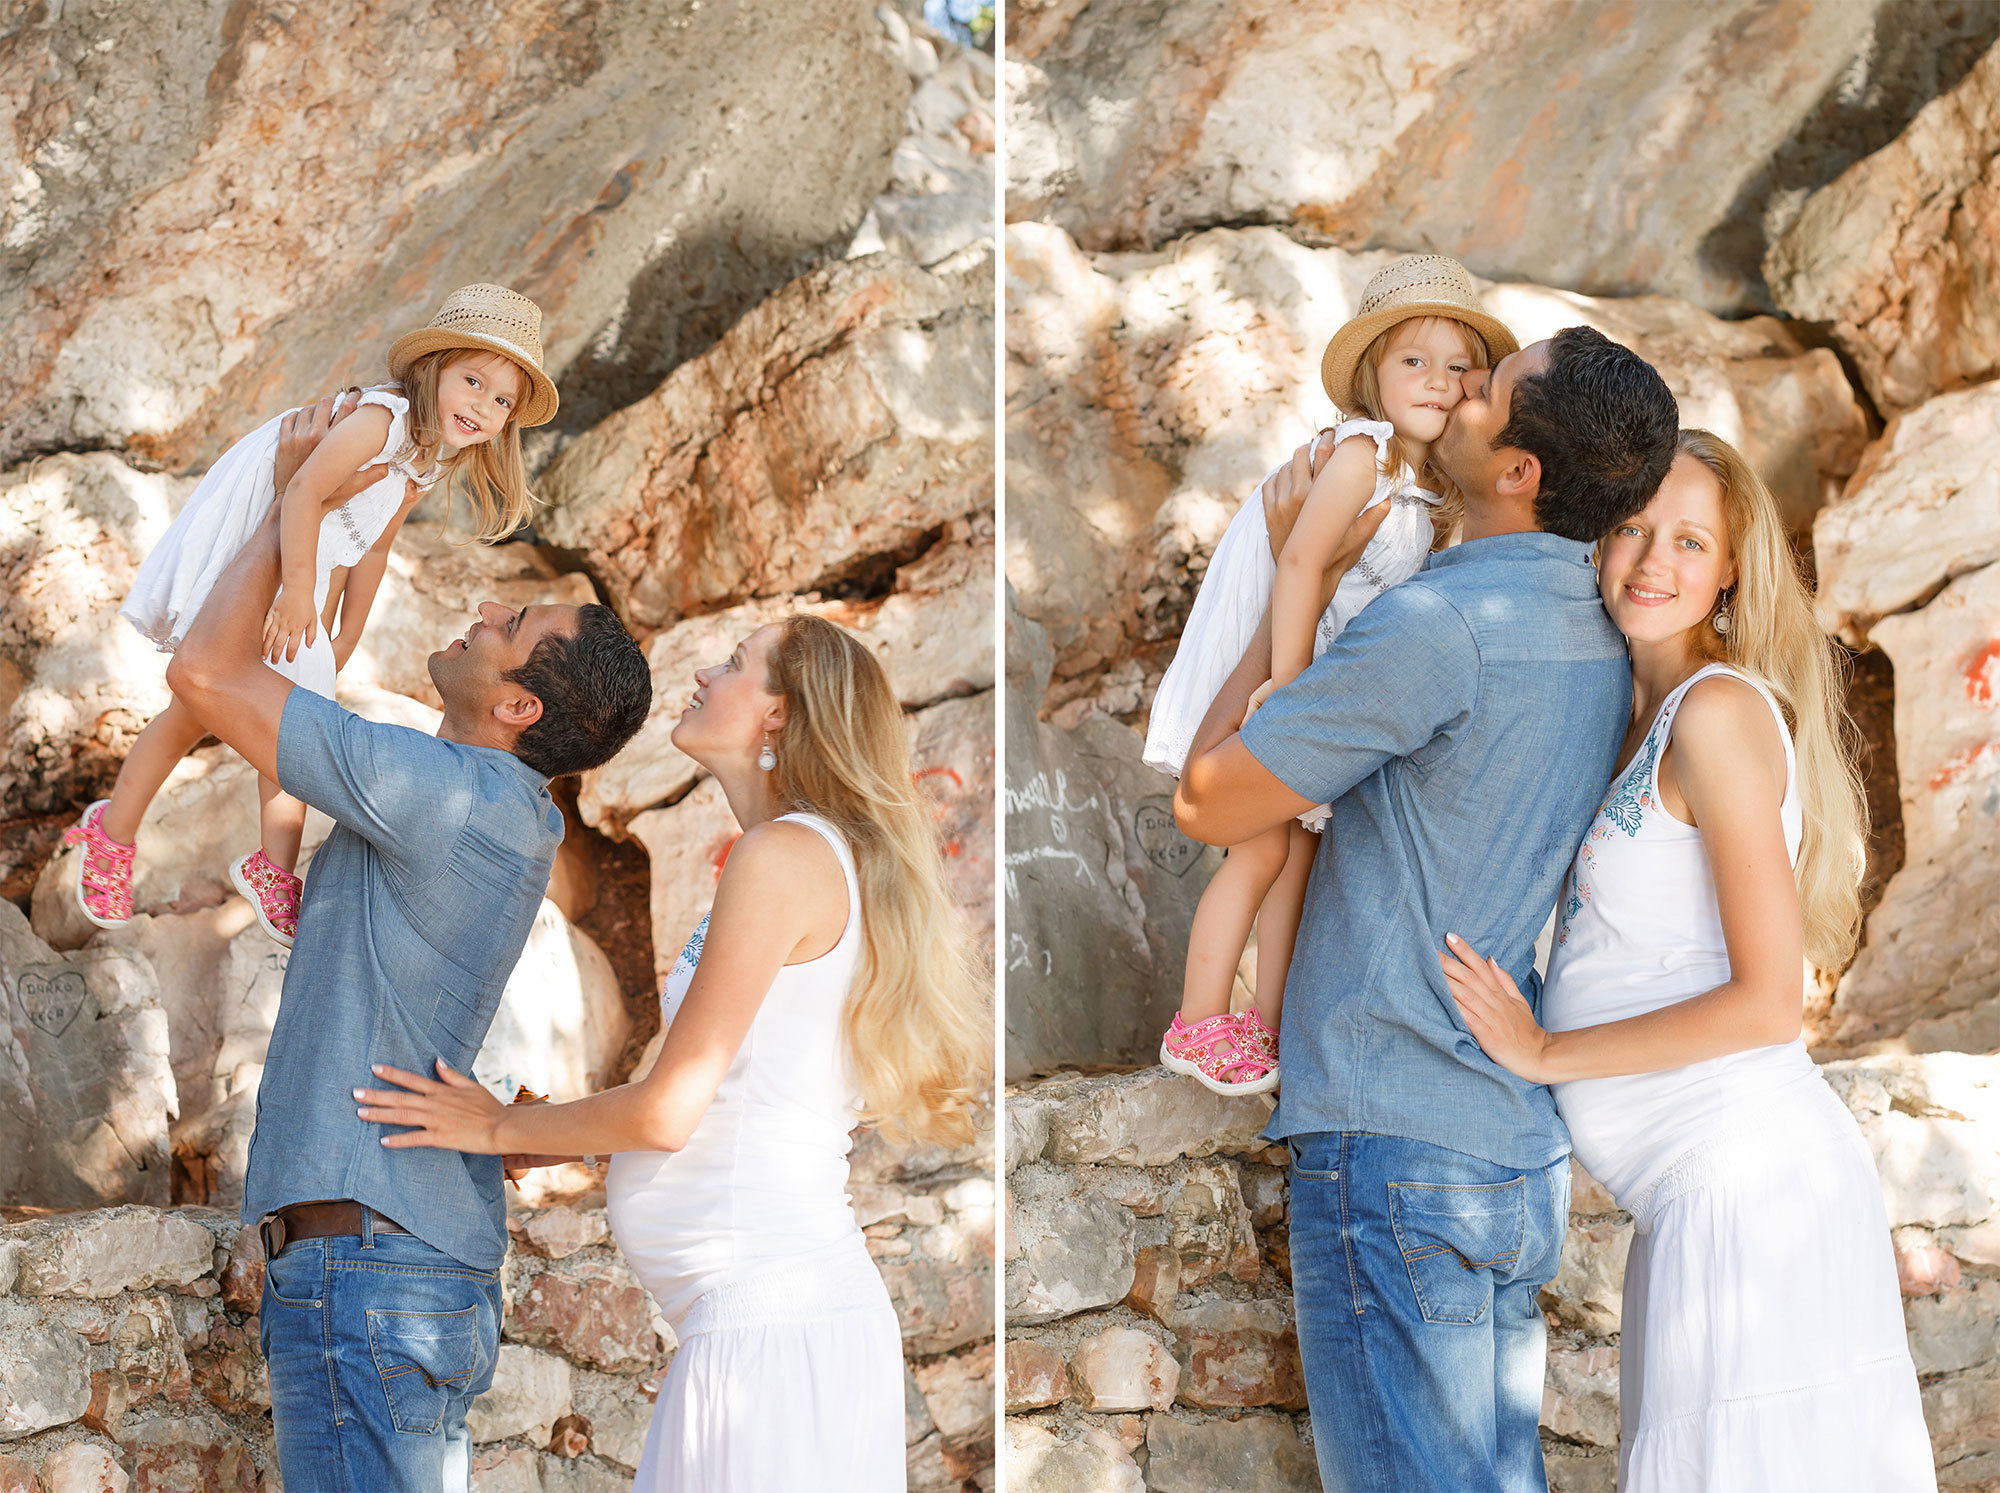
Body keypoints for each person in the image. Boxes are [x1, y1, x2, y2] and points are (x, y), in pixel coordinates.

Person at [1175, 324, 1679, 1493]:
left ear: (1519, 473)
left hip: (1393, 1138)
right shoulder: (1593, 631)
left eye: (1484, 391)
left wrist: (1290, 571)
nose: (1451, 395)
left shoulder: (1441, 627)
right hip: (1506, 1149)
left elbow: (1209, 798)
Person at [355, 615, 990, 1492]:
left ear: (778, 715)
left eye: (734, 664)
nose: (702, 670)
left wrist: (497, 1125)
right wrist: (551, 1128)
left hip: (769, 1336)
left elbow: (668, 1107)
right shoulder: (807, 856)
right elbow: (738, 1095)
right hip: (763, 1327)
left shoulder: (783, 856)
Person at [163, 391, 652, 1493]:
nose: (481, 609)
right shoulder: (495, 806)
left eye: (508, 626)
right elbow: (313, 657)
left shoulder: (451, 794)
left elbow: (204, 674)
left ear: (519, 705)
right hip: (399, 1262)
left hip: (368, 1268)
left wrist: (294, 501)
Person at [1441, 431, 1935, 1491]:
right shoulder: (1630, 717)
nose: (1649, 558)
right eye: (1629, 526)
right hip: (1691, 1199)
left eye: (1687, 538)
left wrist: (1542, 1050)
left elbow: (1767, 1002)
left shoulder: (1713, 712)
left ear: (1729, 568)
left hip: (1751, 1184)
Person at [66, 283, 557, 946]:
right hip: (257, 540)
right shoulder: (379, 421)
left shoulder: (428, 455)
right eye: (473, 380)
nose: (484, 406)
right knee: (241, 714)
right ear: (432, 368)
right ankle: (154, 840)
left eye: (502, 401)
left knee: (263, 712)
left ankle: (240, 857)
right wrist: (298, 593)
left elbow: (374, 547)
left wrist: (345, 630)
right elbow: (301, 493)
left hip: (300, 560)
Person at [1145, 254, 1515, 1095]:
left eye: (1457, 366)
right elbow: (1302, 561)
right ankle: (1198, 1021)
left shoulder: (1428, 486)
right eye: (1412, 361)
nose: (1435, 380)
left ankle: (1271, 1029)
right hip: (1283, 665)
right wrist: (1290, 682)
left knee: (1301, 857)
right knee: (1260, 846)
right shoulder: (1362, 453)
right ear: (1372, 376)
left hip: (1320, 679)